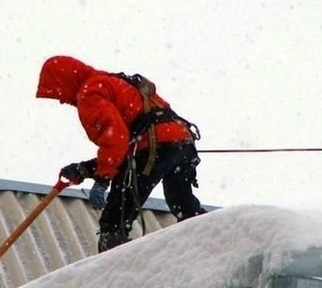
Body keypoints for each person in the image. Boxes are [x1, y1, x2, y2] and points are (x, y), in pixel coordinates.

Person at [36, 55, 206, 252]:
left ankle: (121, 268)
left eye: (58, 92)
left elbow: (115, 139)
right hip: (182, 143)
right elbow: (123, 151)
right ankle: (213, 238)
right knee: (183, 204)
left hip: (155, 147)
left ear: (65, 82)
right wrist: (86, 169)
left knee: (115, 221)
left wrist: (102, 179)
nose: (61, 100)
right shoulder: (109, 82)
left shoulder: (89, 93)